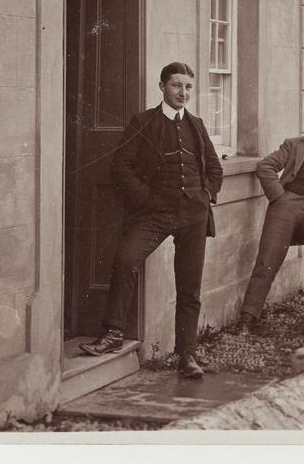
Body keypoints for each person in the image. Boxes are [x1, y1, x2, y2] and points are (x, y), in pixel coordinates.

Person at [79, 62, 224, 380]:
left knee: (189, 287)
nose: (182, 93)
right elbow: (121, 166)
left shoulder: (197, 125)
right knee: (125, 259)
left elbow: (214, 169)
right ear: (162, 87)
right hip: (155, 213)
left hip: (193, 216)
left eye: (187, 87)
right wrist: (147, 199)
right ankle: (114, 333)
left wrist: (205, 195)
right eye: (176, 86)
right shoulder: (144, 122)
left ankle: (186, 355)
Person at [235, 101, 304, 334]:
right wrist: (279, 197)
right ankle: (248, 317)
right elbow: (266, 166)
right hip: (288, 203)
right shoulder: (294, 145)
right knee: (268, 258)